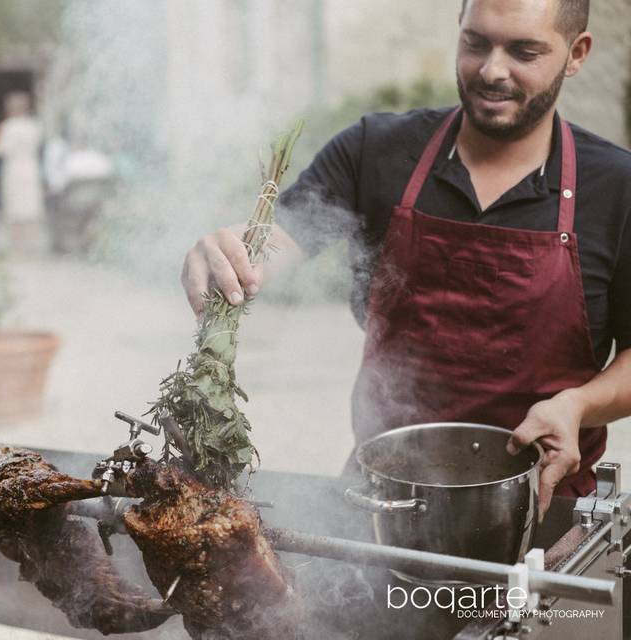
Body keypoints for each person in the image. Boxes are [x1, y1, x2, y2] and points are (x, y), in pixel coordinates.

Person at [182, 0, 631, 517]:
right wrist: (227, 252)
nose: (491, 70)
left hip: (543, 510)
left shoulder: (615, 189)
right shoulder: (375, 149)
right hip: (380, 503)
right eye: (475, 42)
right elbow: (279, 238)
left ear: (577, 54)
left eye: (524, 51)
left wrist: (579, 405)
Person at [0, 91, 45, 257]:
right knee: (30, 207)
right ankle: (31, 246)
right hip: (30, 168)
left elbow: (1, 150)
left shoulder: (8, 127)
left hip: (14, 168)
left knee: (15, 208)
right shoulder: (34, 126)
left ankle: (17, 247)